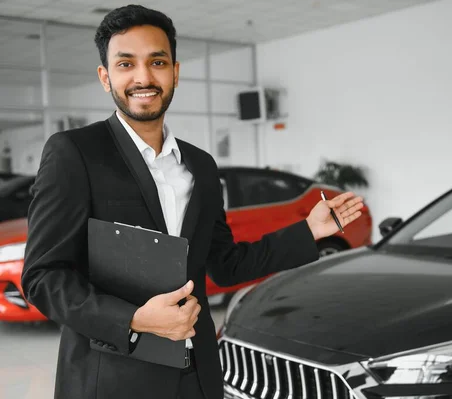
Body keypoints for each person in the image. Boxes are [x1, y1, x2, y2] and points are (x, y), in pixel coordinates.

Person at [21, 4, 364, 399]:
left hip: (197, 376)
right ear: (105, 77)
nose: (143, 77)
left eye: (157, 61)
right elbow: (43, 277)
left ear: (175, 72)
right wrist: (134, 319)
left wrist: (309, 231)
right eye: (126, 64)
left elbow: (224, 263)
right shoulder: (74, 153)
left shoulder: (200, 165)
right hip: (114, 378)